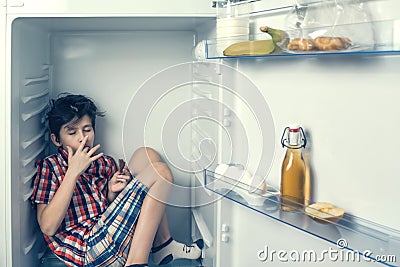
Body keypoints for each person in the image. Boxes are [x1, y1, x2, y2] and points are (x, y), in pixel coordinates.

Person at [31, 94, 203, 267]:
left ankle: (162, 245)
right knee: (160, 172)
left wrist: (112, 192)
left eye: (87, 129)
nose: (82, 138)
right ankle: (136, 263)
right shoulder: (50, 166)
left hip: (109, 233)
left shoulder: (104, 163)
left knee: (146, 155)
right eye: (72, 132)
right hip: (87, 250)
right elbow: (48, 227)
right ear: (56, 139)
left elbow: (110, 212)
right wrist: (72, 173)